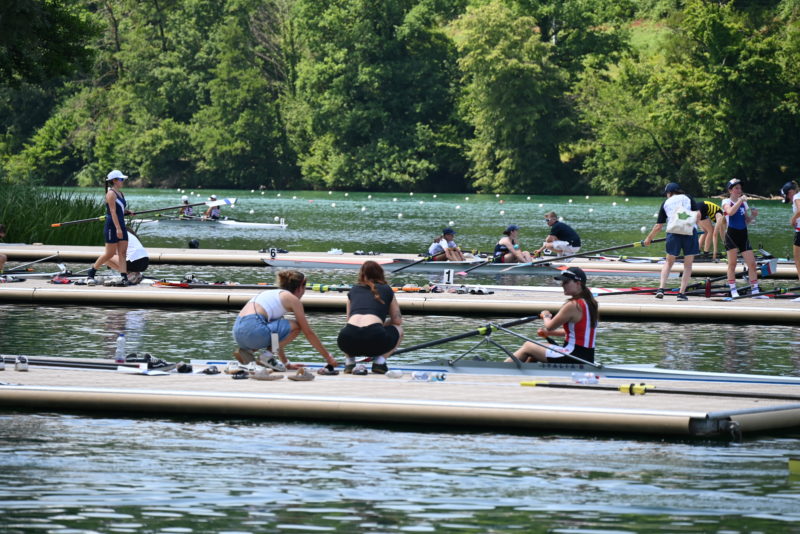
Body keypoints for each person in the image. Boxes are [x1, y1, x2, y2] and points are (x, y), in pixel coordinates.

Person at [232, 269, 339, 374]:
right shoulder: (292, 299)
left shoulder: (271, 294)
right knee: (296, 326)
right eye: (304, 288)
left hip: (238, 332)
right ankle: (266, 356)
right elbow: (308, 332)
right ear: (300, 287)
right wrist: (328, 357)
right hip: (254, 331)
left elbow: (276, 336)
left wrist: (286, 363)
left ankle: (248, 351)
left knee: (275, 333)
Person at [509, 267, 597, 364]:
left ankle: (502, 369)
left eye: (566, 282)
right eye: (562, 282)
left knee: (528, 346)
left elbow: (549, 326)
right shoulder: (591, 303)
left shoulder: (573, 305)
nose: (562, 285)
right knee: (535, 353)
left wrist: (546, 316)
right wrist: (548, 333)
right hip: (587, 357)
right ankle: (523, 373)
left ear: (578, 283)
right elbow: (575, 332)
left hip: (573, 355)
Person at [337, 261, 403, 374]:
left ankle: (349, 363)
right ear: (380, 274)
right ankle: (379, 362)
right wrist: (380, 325)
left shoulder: (353, 290)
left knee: (348, 328)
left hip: (346, 340)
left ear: (362, 274)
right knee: (399, 329)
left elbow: (348, 320)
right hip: (375, 337)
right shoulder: (386, 289)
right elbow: (397, 320)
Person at [643, 182, 700, 301]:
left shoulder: (666, 203)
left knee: (669, 263)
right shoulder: (688, 197)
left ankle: (661, 289)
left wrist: (648, 238)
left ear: (669, 193)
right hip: (690, 232)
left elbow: (658, 226)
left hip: (673, 233)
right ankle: (681, 294)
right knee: (688, 265)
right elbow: (698, 215)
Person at [722, 178, 765, 298]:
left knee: (752, 264)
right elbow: (730, 212)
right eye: (736, 188)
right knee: (732, 264)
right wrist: (740, 200)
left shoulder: (743, 203)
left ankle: (755, 291)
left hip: (743, 235)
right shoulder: (726, 201)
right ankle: (733, 290)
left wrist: (753, 216)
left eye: (740, 188)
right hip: (731, 235)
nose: (739, 190)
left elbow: (746, 220)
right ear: (730, 190)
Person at [87, 170, 130, 286]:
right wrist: (118, 229)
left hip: (121, 224)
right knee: (109, 253)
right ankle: (91, 272)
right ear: (114, 181)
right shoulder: (111, 194)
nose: (122, 181)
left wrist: (127, 211)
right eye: (121, 179)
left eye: (123, 179)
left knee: (122, 253)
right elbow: (112, 212)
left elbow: (119, 209)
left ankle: (124, 277)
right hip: (112, 226)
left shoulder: (121, 193)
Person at [780, 181, 800, 284]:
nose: (789, 199)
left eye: (787, 195)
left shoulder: (796, 196)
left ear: (791, 192)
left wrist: (793, 219)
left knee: (798, 260)